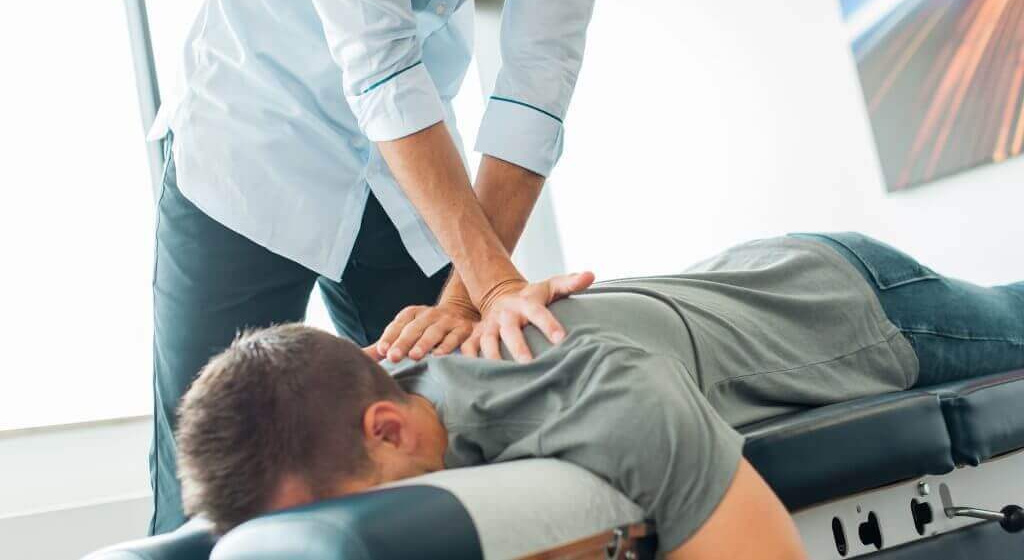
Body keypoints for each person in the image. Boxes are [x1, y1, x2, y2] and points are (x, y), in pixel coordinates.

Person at [147, 0, 619, 533]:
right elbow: (379, 61)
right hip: (252, 144)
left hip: (408, 170)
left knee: (456, 427)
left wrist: (469, 298)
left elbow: (537, 86)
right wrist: (494, 282)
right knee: (212, 491)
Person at [174, 233, 1024, 558]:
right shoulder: (370, 392)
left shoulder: (597, 392)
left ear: (388, 427)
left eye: (340, 512)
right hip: (719, 290)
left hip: (852, 305)